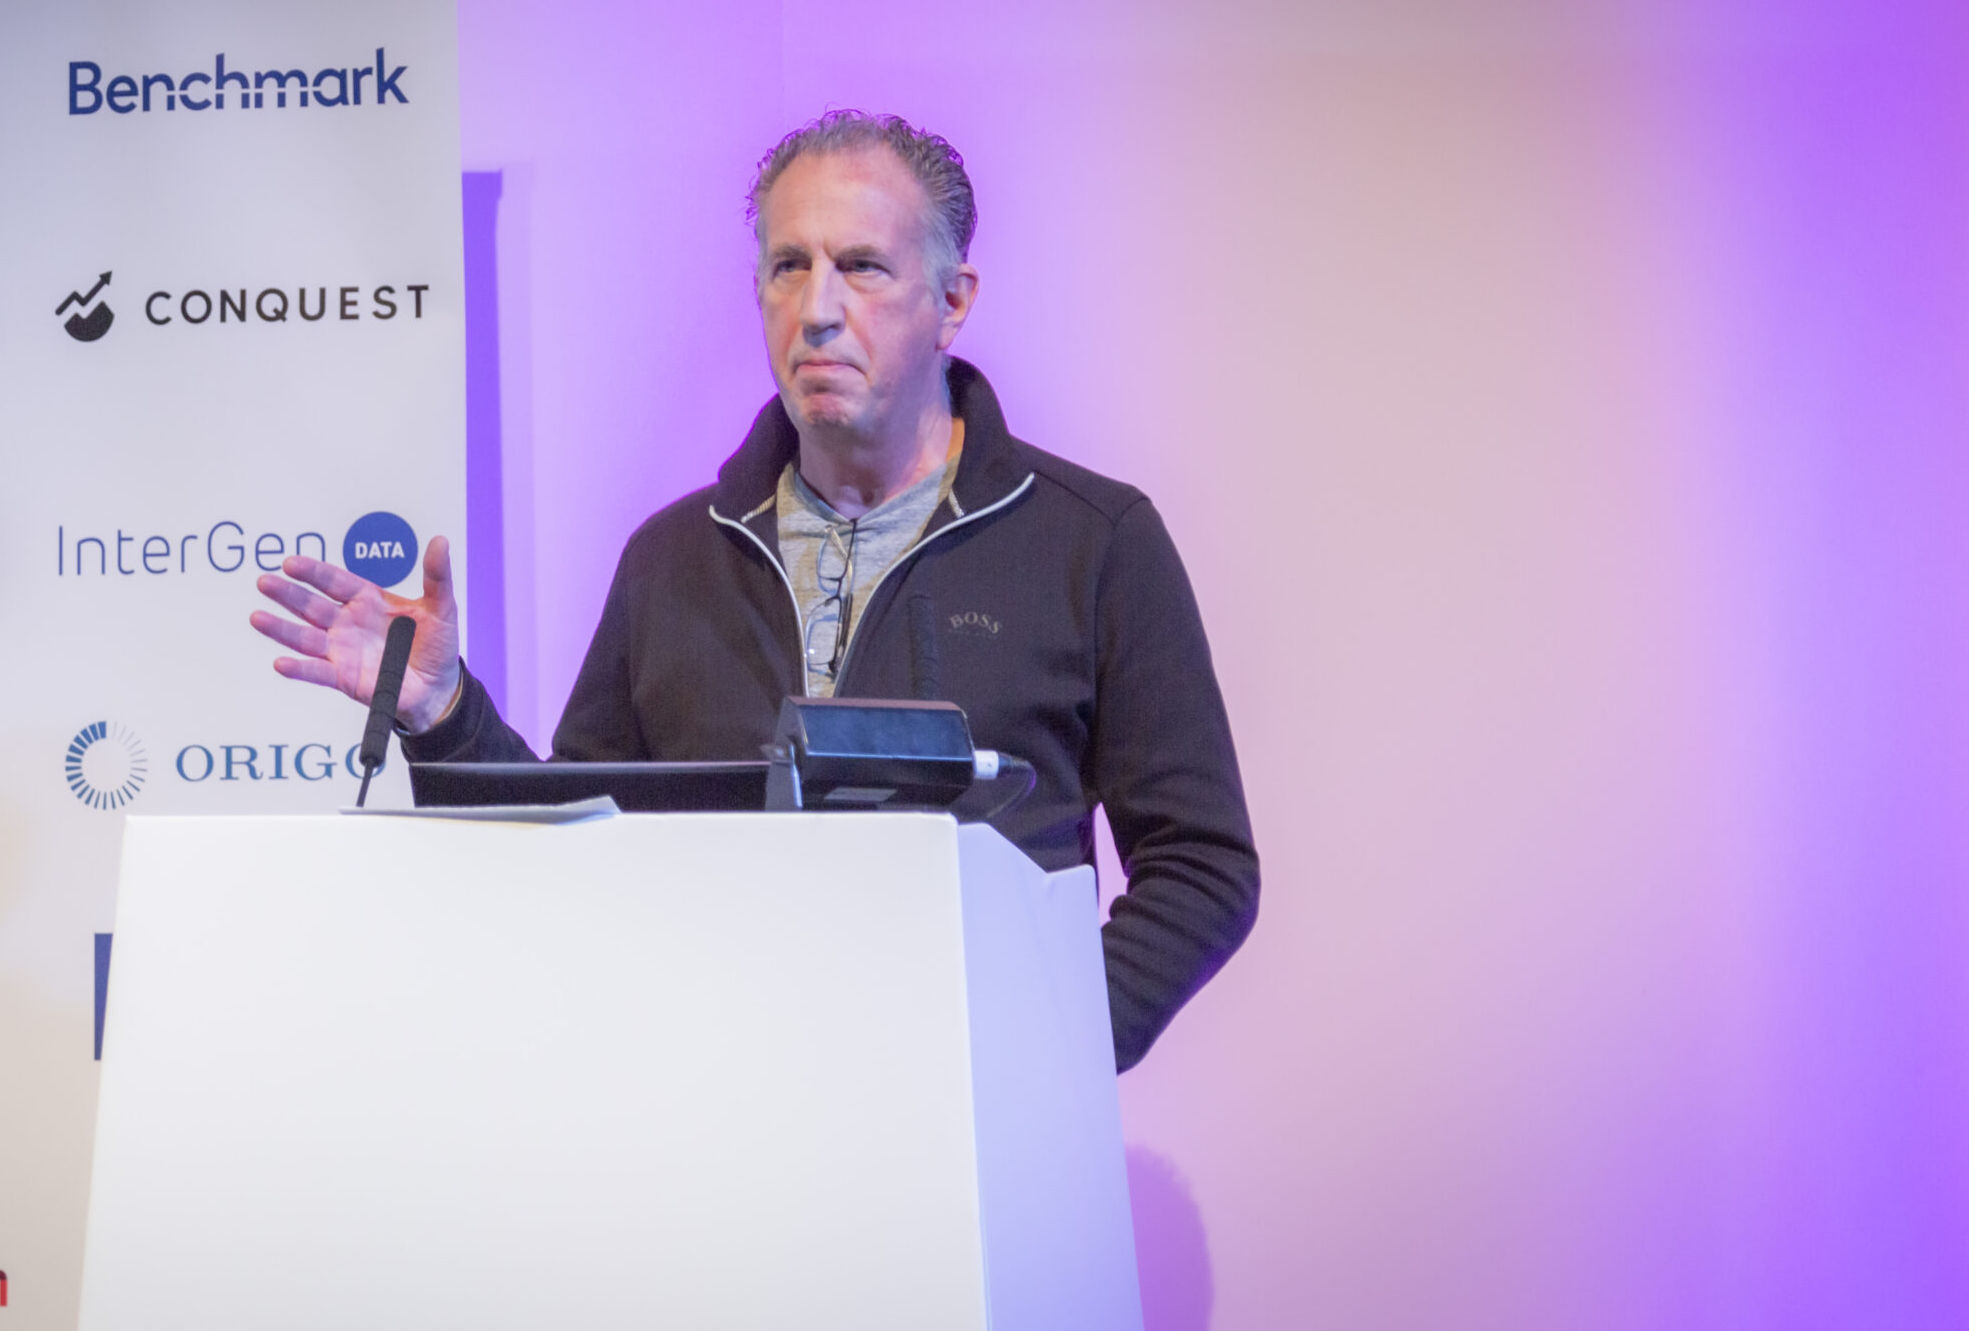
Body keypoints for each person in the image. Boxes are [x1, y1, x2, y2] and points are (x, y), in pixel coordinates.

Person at [252, 111, 1257, 1070]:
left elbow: (1200, 866)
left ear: (952, 303)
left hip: (986, 1136)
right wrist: (443, 713)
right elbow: (576, 848)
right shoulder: (671, 558)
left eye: (862, 266)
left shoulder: (1091, 541)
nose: (817, 309)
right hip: (719, 1121)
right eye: (789, 266)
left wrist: (1045, 1049)